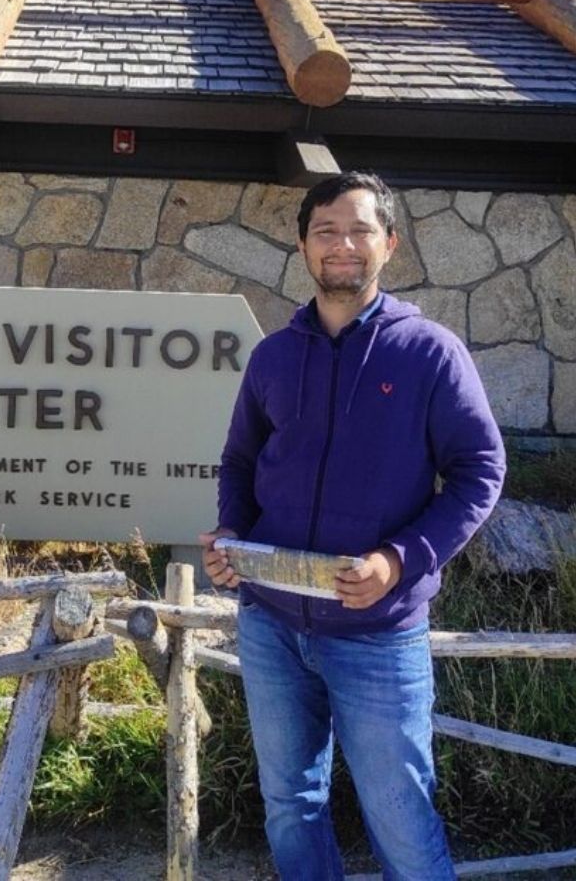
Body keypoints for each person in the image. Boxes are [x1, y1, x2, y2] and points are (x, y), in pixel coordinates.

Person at [200, 172, 505, 881]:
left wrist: (400, 562)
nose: (343, 244)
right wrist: (230, 541)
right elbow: (241, 461)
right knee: (290, 804)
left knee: (400, 817)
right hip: (271, 624)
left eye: (361, 229)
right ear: (304, 245)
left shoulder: (429, 353)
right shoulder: (274, 355)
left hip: (377, 633)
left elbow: (480, 472)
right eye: (326, 230)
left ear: (389, 244)